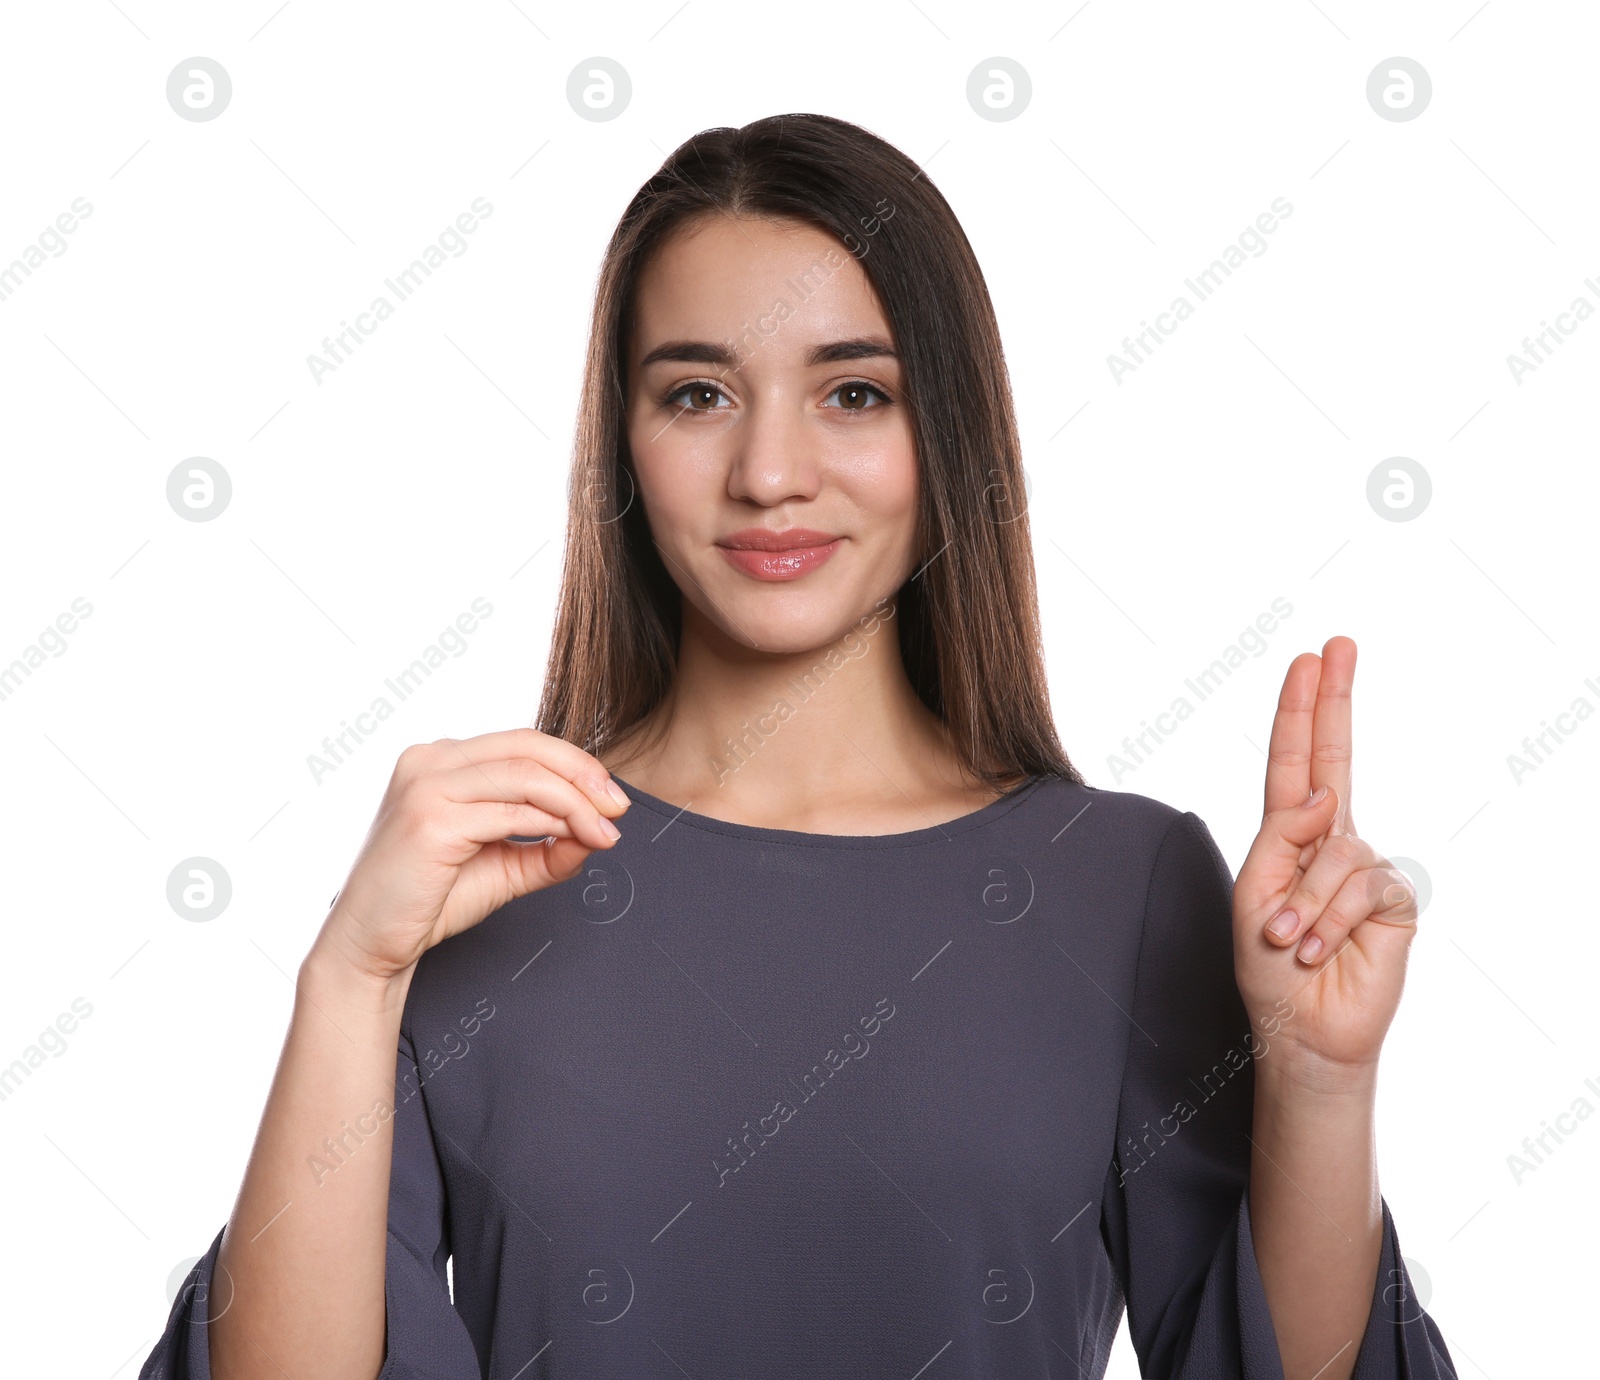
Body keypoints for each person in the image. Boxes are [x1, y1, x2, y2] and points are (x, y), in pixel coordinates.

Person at [140, 113, 1457, 1380]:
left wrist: (1322, 1087)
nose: (771, 472)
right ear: (625, 445)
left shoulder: (1122, 885)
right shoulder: (480, 877)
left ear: (947, 432)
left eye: (854, 392)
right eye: (700, 392)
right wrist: (348, 976)